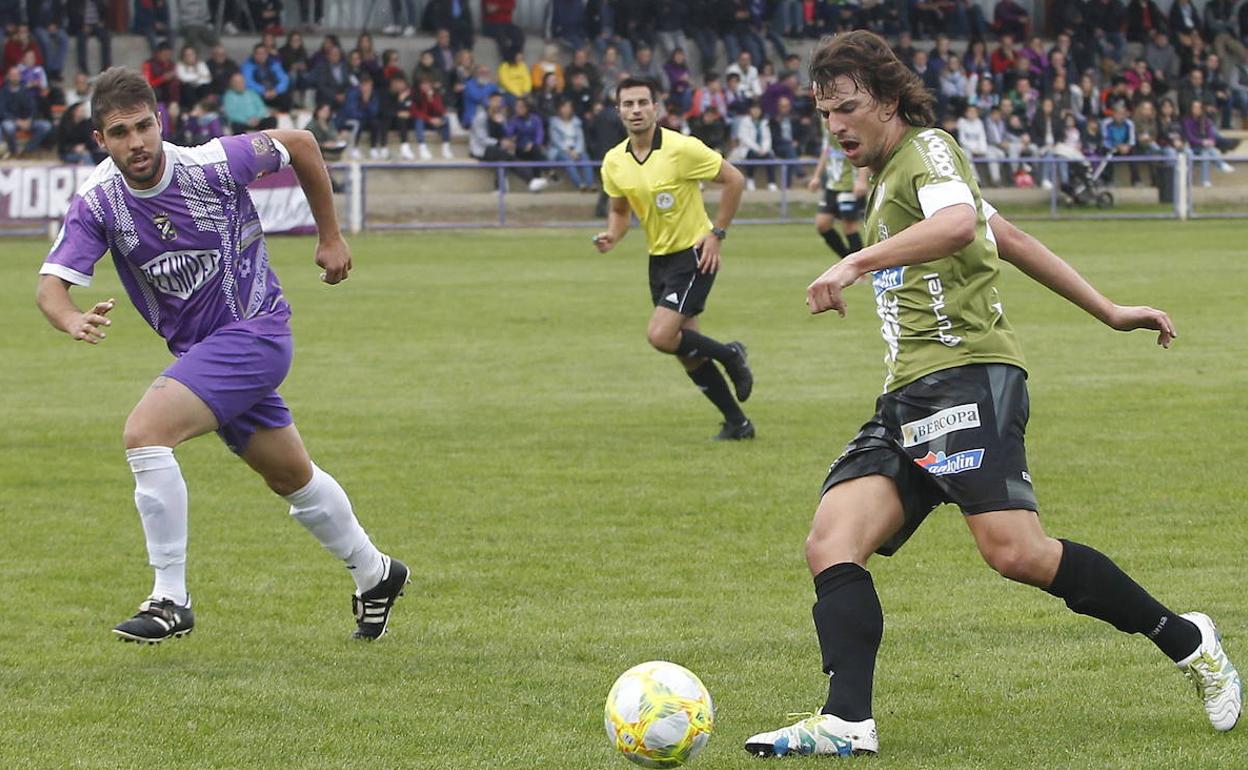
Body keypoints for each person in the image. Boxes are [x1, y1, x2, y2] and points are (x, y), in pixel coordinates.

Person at [743, 31, 1242, 758]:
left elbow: (956, 226)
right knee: (832, 540)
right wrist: (1107, 309)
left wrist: (854, 261)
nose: (837, 126)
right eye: (825, 114)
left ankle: (1189, 639)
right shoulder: (889, 175)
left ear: (887, 100)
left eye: (848, 108)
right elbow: (1003, 234)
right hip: (910, 394)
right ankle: (846, 719)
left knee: (1014, 552)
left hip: (968, 377)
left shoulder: (930, 150)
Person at [35, 67, 410, 645]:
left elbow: (302, 144)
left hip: (254, 330)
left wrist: (329, 235)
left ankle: (170, 597)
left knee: (144, 433)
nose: (136, 143)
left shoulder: (211, 163)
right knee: (291, 477)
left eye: (143, 127)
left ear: (160, 123)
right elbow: (50, 287)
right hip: (203, 353)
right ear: (99, 141)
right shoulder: (99, 202)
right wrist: (70, 318)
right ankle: (376, 571)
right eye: (120, 133)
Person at [594, 77, 755, 441]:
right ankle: (738, 423)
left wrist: (717, 233)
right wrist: (612, 236)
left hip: (694, 255)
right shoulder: (614, 161)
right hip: (659, 260)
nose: (636, 110)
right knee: (688, 351)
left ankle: (732, 354)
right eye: (628, 104)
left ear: (657, 106)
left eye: (642, 102)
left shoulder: (682, 149)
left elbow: (734, 180)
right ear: (618, 110)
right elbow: (620, 212)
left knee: (660, 335)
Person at [808, 122, 868, 258]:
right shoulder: (827, 129)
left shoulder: (851, 128)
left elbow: (865, 153)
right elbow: (826, 151)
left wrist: (862, 180)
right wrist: (816, 176)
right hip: (832, 185)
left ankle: (859, 269)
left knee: (849, 227)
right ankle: (847, 261)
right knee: (822, 224)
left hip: (849, 186)